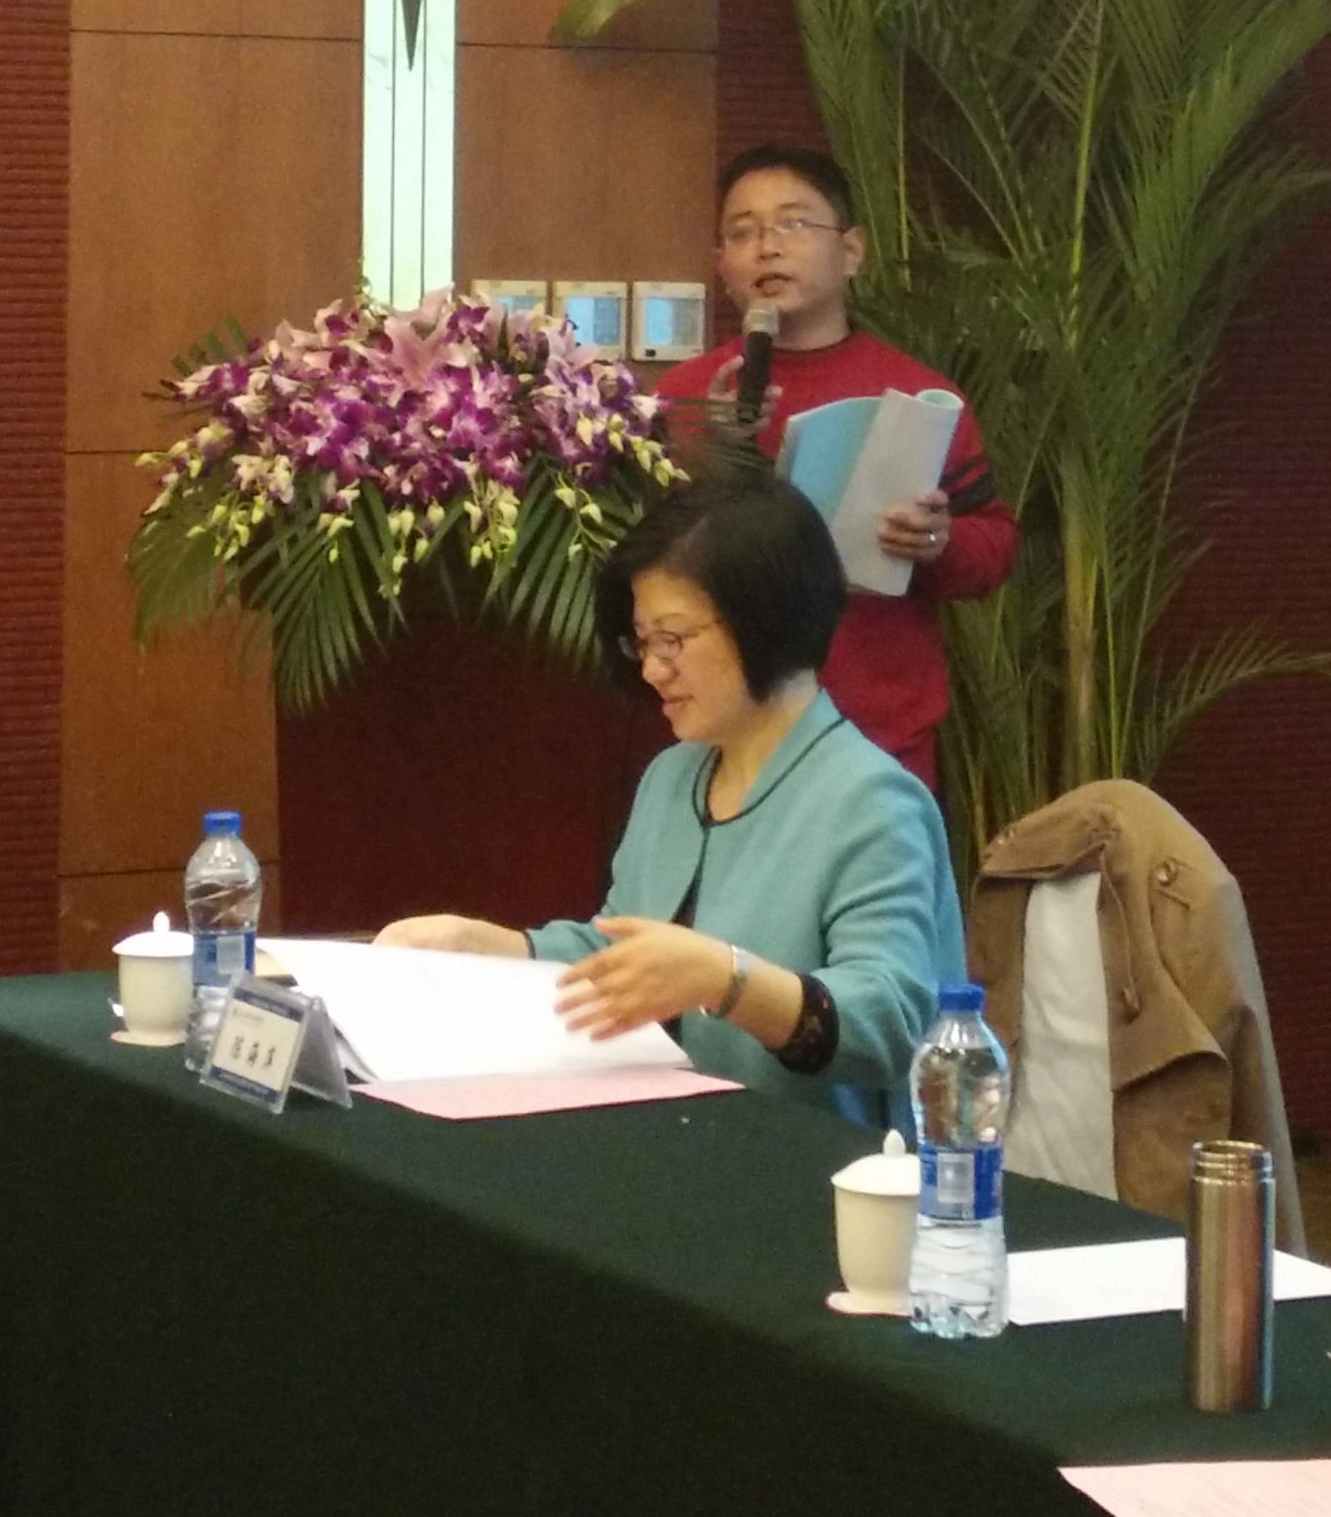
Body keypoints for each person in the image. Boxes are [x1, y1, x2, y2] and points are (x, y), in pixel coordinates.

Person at [379, 466, 966, 1128]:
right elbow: (624, 957)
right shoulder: (673, 777)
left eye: (673, 639)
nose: (653, 668)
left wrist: (728, 979)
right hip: (671, 1137)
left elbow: (891, 1022)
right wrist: (496, 947)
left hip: (824, 1165)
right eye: (643, 642)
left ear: (765, 619)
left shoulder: (872, 801)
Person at [654, 144, 1016, 786]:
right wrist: (709, 454)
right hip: (717, 744)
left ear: (851, 251)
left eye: (793, 223)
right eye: (743, 232)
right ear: (722, 266)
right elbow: (635, 563)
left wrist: (940, 543)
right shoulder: (682, 399)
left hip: (878, 745)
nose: (767, 248)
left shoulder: (921, 398)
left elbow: (995, 549)